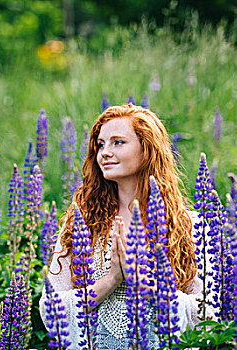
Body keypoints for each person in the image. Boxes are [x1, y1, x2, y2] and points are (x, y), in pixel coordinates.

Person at [39, 103, 214, 349]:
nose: (105, 153)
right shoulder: (81, 222)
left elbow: (208, 312)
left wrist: (146, 284)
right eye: (100, 144)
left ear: (147, 149)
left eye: (117, 142)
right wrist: (111, 279)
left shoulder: (190, 225)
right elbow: (50, 308)